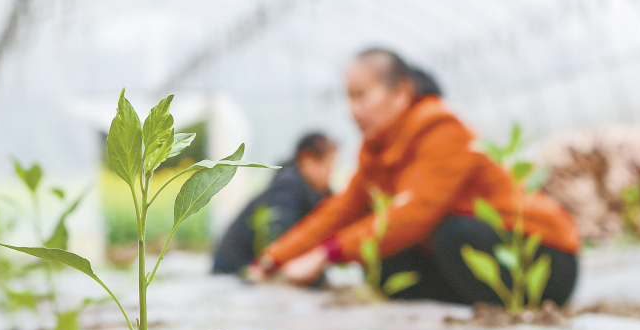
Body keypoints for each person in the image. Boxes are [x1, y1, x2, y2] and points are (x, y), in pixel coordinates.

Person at [253, 48, 580, 306]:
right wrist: (274, 258)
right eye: (348, 98)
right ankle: (461, 312)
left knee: (451, 231)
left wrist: (326, 254)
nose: (352, 110)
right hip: (477, 257)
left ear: (402, 92)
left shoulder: (443, 131)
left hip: (543, 257)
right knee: (386, 261)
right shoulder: (378, 151)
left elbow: (412, 214)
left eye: (361, 95)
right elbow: (339, 211)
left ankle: (505, 312)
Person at [538, 127, 640, 241]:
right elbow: (617, 191)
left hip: (582, 171)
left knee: (604, 219)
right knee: (596, 221)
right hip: (565, 166)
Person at [213, 133, 337, 275]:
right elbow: (281, 238)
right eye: (329, 164)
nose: (331, 172)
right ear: (307, 159)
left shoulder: (312, 190)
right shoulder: (288, 188)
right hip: (234, 268)